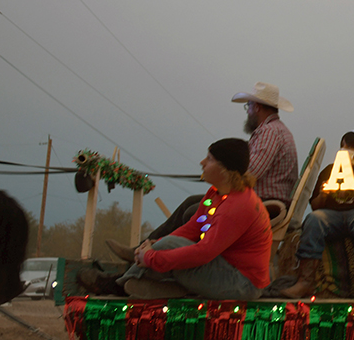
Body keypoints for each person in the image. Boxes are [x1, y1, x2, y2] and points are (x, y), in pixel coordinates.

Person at [116, 81, 299, 253]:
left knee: (193, 210)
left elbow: (250, 173)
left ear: (257, 107)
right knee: (191, 204)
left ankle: (164, 256)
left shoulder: (269, 132)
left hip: (264, 202)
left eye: (248, 107)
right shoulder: (276, 130)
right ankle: (147, 249)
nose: (248, 111)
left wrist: (218, 174)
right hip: (263, 200)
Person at [81, 138, 272, 299]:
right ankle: (172, 287)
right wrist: (155, 243)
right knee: (168, 244)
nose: (202, 163)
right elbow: (193, 228)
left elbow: (203, 252)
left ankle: (116, 285)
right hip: (224, 269)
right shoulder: (215, 194)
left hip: (242, 283)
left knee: (169, 249)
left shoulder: (237, 206)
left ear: (225, 171)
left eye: (210, 159)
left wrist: (151, 256)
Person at [281, 130, 354, 299]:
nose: (345, 149)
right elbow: (315, 207)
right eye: (343, 145)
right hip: (332, 216)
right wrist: (324, 195)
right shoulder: (330, 171)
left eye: (350, 146)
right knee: (314, 219)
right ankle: (305, 281)